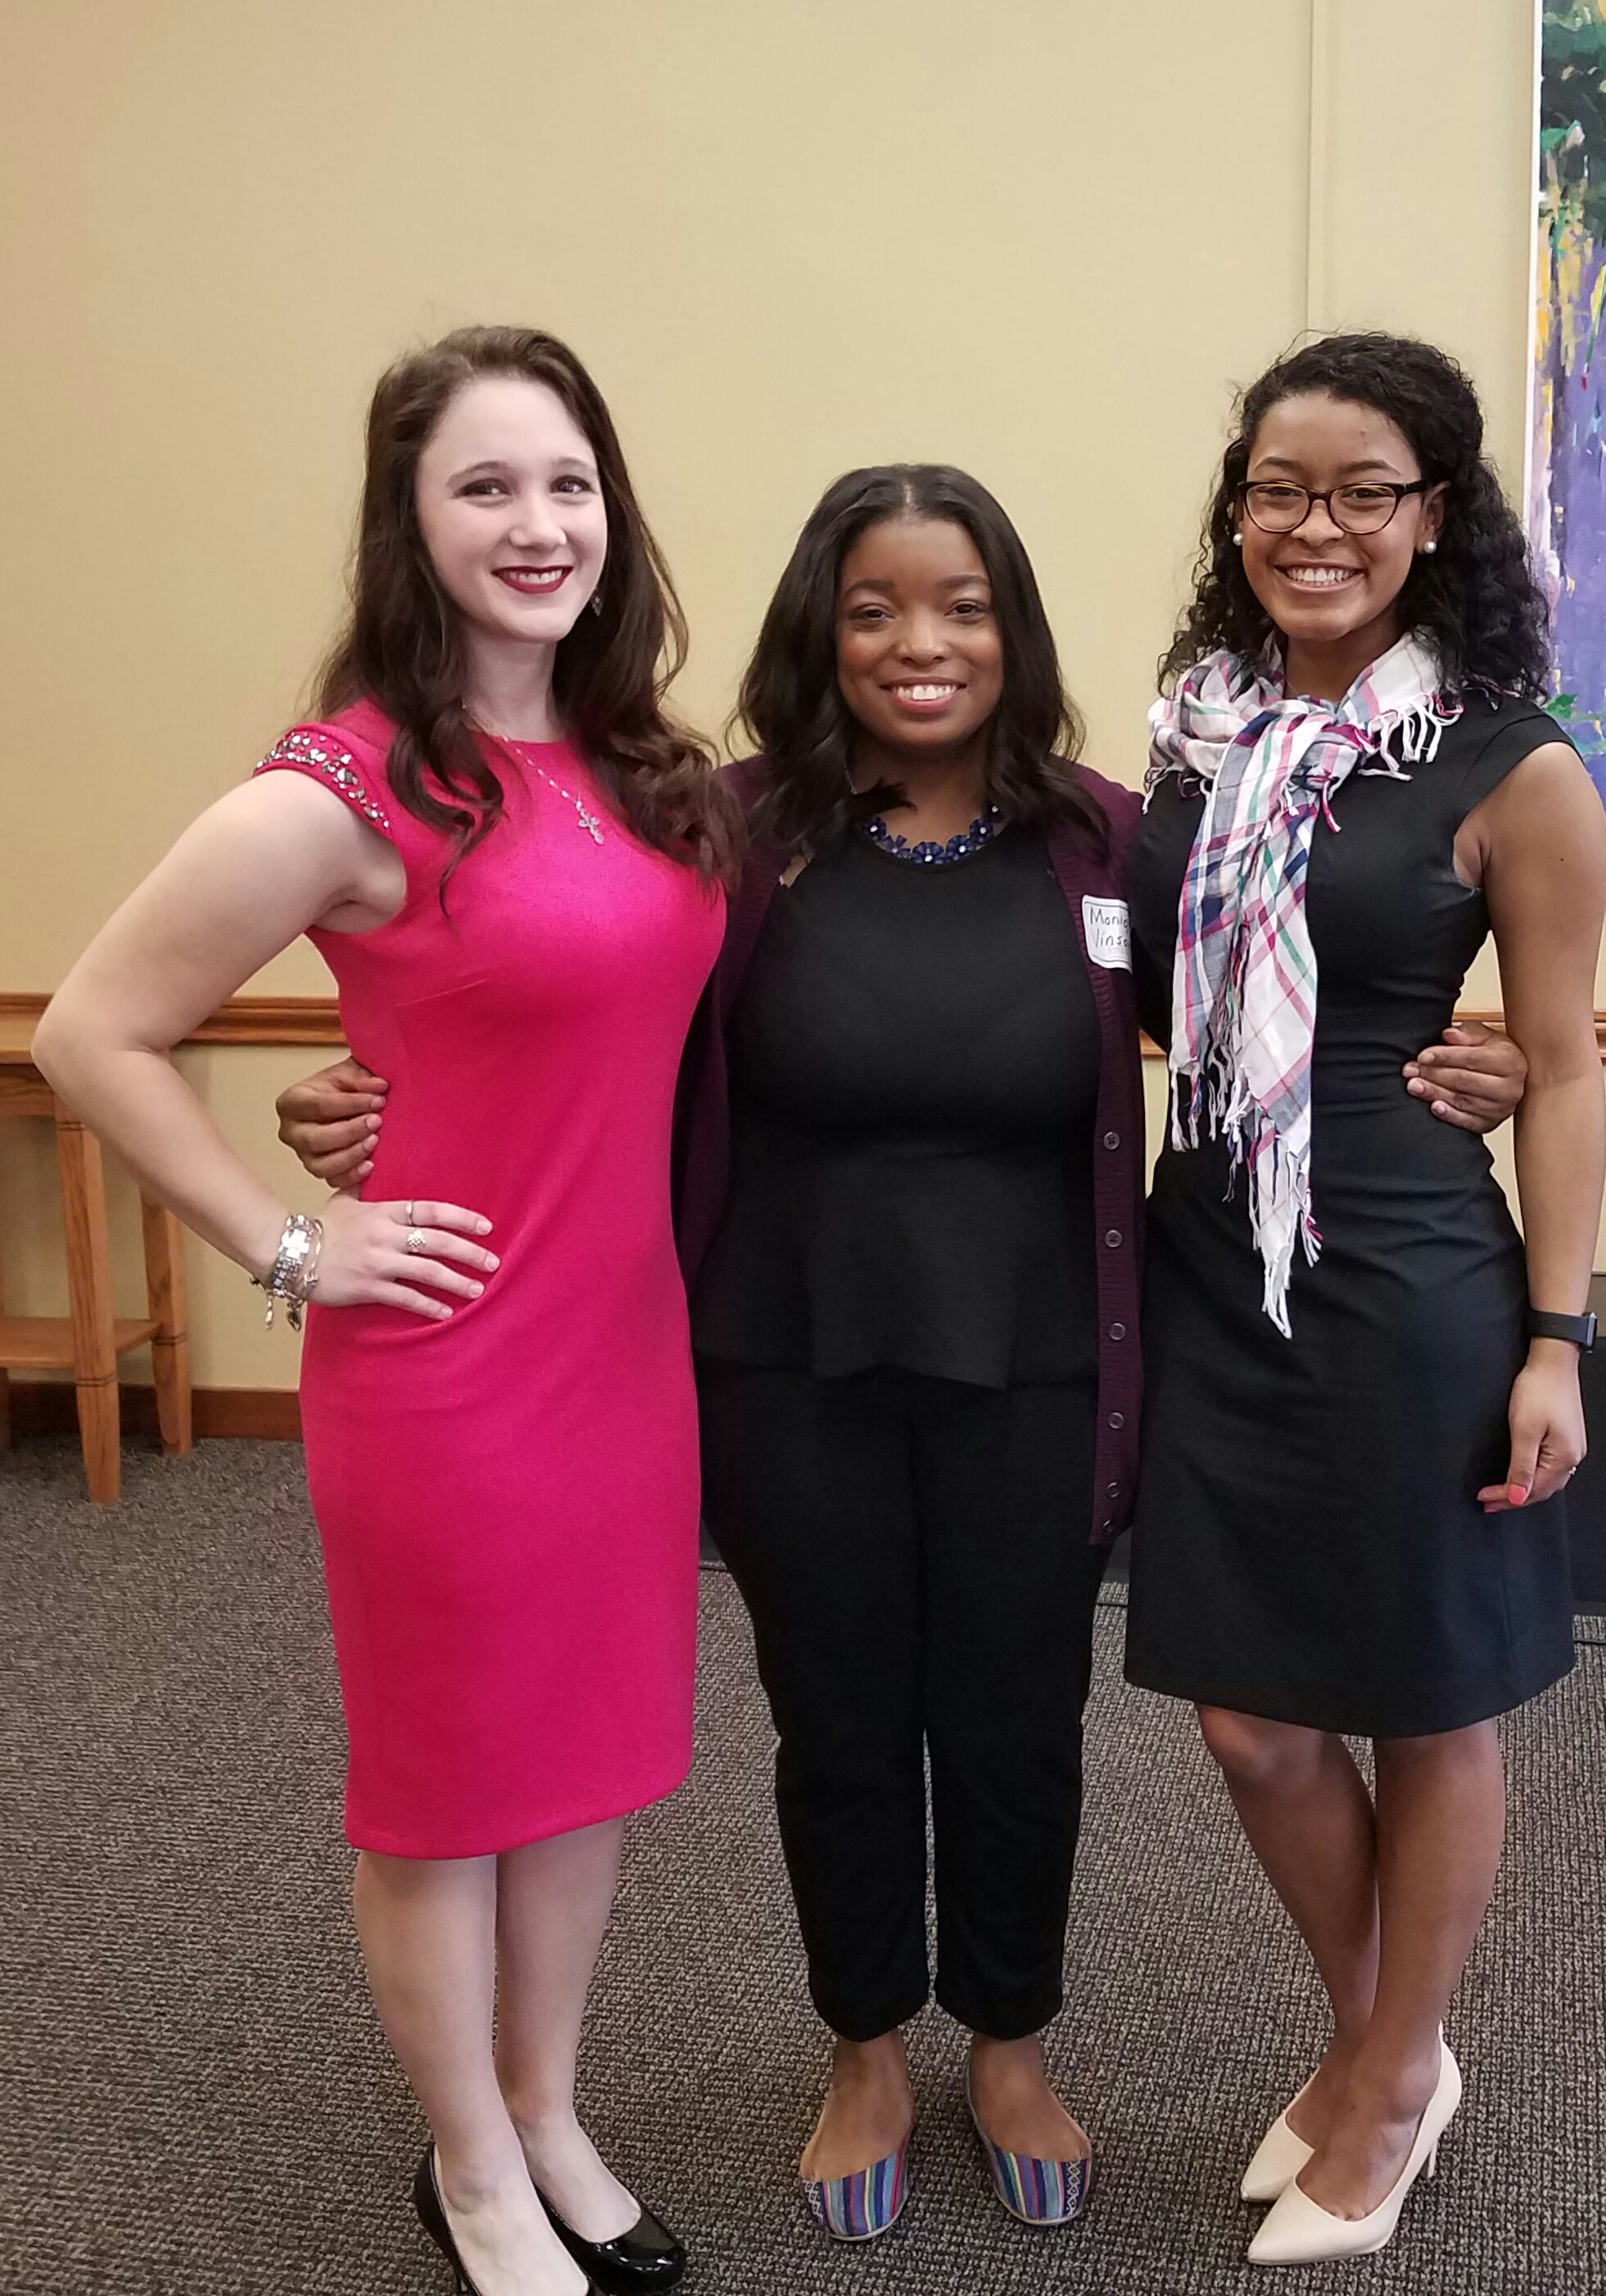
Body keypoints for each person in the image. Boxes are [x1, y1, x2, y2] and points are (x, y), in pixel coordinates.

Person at [276, 463, 1531, 2245]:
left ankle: (1010, 2040)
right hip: (787, 1363)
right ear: (821, 631)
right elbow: (543, 1000)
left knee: (1019, 1721)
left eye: (959, 605)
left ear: (1011, 630)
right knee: (840, 1717)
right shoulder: (717, 838)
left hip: (1042, 1364)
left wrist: (1487, 1056)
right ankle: (865, 2044)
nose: (918, 642)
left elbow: (1284, 991)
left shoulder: (1108, 841)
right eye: (873, 608)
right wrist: (365, 1090)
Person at [34, 324, 740, 2296]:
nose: (538, 524)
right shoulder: (345, 785)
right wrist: (286, 1244)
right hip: (448, 1368)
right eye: (485, 488)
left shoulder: (633, 763)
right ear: (409, 522)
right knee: (446, 1788)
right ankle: (469, 2168)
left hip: (624, 1350)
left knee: (585, 1760)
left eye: (569, 482)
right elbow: (98, 1031)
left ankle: (547, 2104)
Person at [1124, 333, 1606, 2267]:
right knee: (1247, 1719)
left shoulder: (1514, 765)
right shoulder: (1189, 744)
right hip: (1209, 1255)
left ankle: (1394, 2069)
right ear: (1236, 507)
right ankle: (1373, 2033)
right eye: (1276, 489)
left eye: (1360, 492)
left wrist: (1559, 1341)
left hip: (1407, 1273)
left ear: (1434, 517)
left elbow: (1562, 1066)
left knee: (1426, 1698)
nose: (1312, 526)